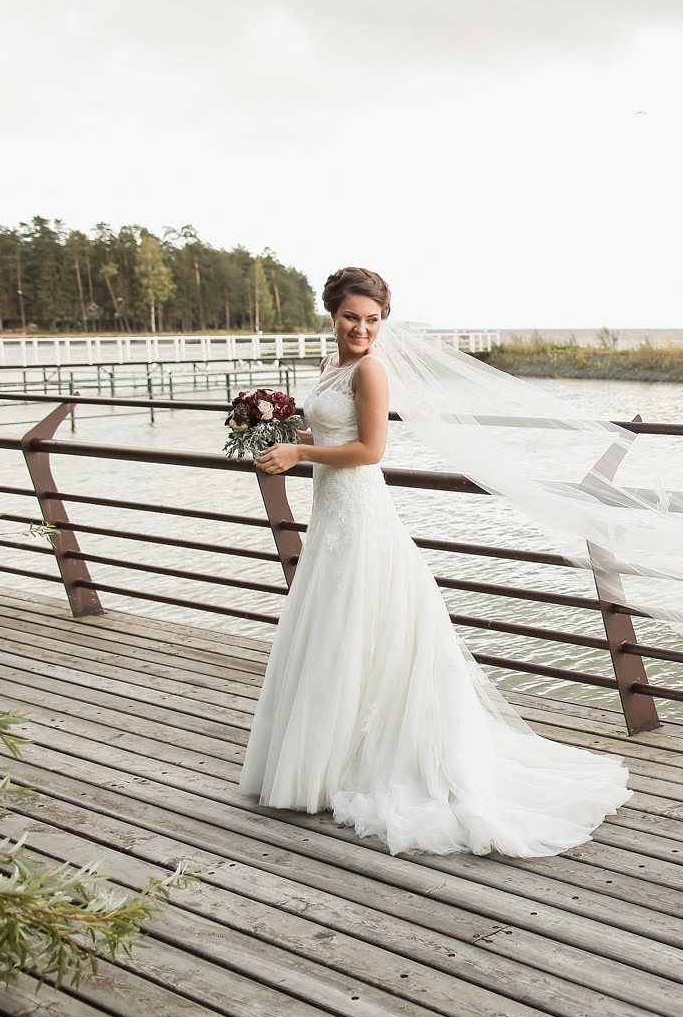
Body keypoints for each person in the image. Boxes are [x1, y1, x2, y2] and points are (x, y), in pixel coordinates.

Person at [239, 266, 630, 857]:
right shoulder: (332, 365)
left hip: (361, 514)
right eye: (351, 317)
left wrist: (298, 450)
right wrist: (270, 427)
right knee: (333, 630)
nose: (362, 330)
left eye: (372, 320)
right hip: (332, 515)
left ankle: (352, 760)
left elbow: (370, 450)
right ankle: (323, 757)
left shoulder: (371, 368)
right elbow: (331, 425)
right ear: (332, 314)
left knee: (360, 628)